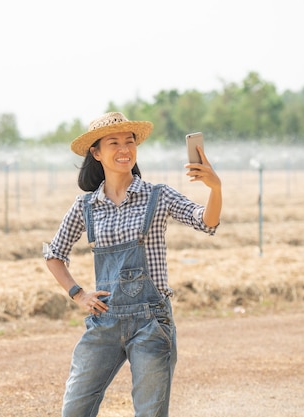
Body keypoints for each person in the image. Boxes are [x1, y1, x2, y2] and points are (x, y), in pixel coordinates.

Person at [43, 112, 222, 417]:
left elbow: (205, 221)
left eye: (130, 141)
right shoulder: (86, 206)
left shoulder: (158, 195)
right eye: (114, 142)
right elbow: (54, 254)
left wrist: (215, 188)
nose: (124, 148)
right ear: (96, 152)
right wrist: (78, 294)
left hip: (151, 322)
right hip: (104, 322)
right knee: (74, 410)